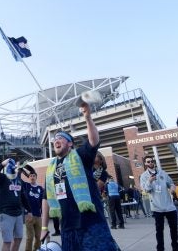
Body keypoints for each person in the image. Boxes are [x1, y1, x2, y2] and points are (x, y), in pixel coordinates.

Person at [41, 102, 120, 251]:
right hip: (67, 227)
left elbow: (93, 141)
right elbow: (45, 198)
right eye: (54, 139)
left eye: (61, 138)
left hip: (91, 222)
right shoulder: (50, 169)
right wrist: (44, 227)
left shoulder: (80, 156)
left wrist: (88, 117)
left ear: (70, 143)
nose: (56, 140)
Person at [140, 156, 178, 251]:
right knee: (159, 230)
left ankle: (176, 248)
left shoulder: (162, 172)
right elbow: (146, 190)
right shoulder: (144, 176)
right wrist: (149, 181)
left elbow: (171, 183)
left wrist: (172, 188)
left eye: (152, 161)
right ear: (145, 164)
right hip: (157, 207)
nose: (150, 162)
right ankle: (160, 248)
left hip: (169, 206)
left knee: (174, 228)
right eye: (148, 161)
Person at [0, 158, 32, 251]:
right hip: (6, 213)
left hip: (18, 213)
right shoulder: (3, 178)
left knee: (18, 238)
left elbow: (22, 196)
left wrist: (29, 210)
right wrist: (3, 163)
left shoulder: (18, 180)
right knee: (7, 241)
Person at [23, 172, 44, 251]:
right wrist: (21, 170)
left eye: (34, 176)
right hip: (29, 215)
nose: (32, 177)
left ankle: (36, 249)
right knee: (30, 237)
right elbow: (19, 180)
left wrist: (43, 213)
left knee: (38, 237)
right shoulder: (26, 186)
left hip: (38, 216)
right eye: (30, 176)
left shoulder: (40, 188)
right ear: (29, 177)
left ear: (36, 177)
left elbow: (43, 201)